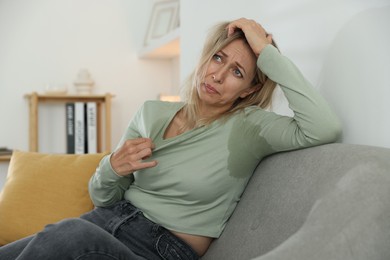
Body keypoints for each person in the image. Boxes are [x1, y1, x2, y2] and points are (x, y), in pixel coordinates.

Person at [0, 18, 341, 260]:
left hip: (161, 248)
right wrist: (111, 168)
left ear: (250, 88)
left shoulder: (249, 127)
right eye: (218, 58)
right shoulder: (151, 113)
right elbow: (102, 198)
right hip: (104, 221)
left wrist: (265, 51)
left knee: (68, 233)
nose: (218, 75)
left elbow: (322, 127)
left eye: (237, 72)